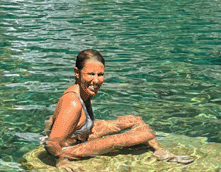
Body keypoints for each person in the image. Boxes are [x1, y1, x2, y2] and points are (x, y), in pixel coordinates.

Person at [42, 49, 195, 171]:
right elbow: (52, 143)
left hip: (81, 135)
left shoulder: (82, 91)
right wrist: (61, 161)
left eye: (100, 74)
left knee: (134, 120)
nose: (96, 80)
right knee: (145, 133)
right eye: (90, 74)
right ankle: (162, 152)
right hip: (69, 149)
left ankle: (158, 151)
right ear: (77, 73)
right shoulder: (73, 103)